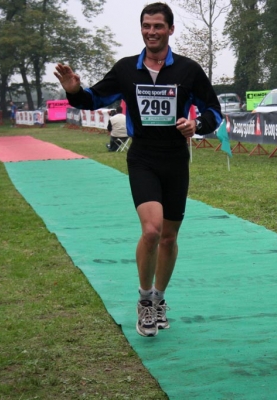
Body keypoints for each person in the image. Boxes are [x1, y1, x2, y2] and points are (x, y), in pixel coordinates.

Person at [54, 2, 222, 337]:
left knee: (170, 236)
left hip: (176, 159)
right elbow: (93, 98)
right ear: (141, 29)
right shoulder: (126, 69)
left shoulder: (188, 70)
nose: (152, 32)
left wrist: (195, 124)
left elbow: (214, 112)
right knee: (152, 230)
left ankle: (159, 298)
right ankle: (145, 302)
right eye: (146, 26)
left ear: (170, 30)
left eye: (158, 26)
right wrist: (74, 90)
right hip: (143, 157)